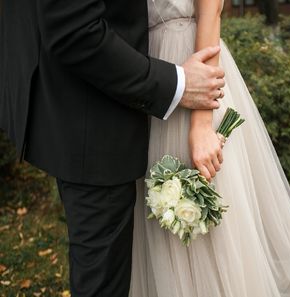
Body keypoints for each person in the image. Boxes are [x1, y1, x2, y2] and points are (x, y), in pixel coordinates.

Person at [130, 1, 290, 297]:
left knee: (204, 201)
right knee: (160, 210)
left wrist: (202, 124)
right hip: (149, 78)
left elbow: (212, 11)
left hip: (194, 66)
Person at [0, 0, 227, 296]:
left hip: (164, 84)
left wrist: (201, 124)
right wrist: (178, 85)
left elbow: (212, 11)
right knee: (109, 268)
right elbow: (74, 29)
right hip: (109, 98)